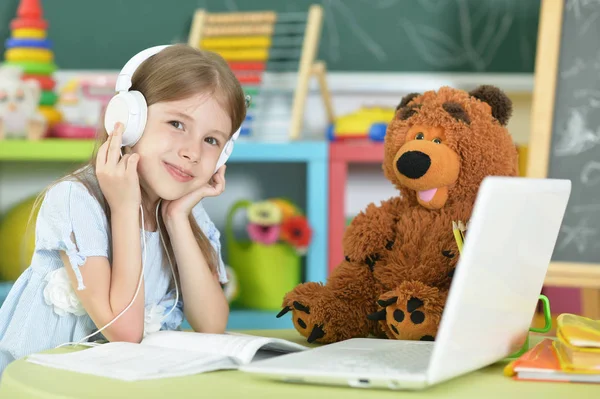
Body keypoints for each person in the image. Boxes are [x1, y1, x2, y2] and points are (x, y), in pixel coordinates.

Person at [0, 43, 247, 375]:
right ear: (128, 120)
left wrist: (176, 217)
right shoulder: (76, 200)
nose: (192, 152)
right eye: (177, 123)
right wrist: (125, 208)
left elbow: (211, 324)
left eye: (212, 140)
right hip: (44, 382)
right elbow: (124, 332)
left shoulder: (183, 212)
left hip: (122, 379)